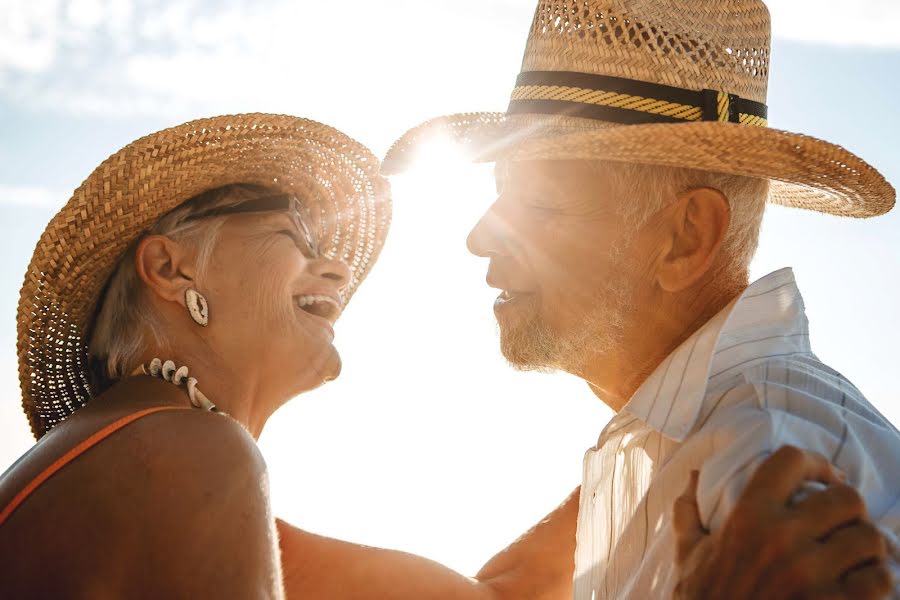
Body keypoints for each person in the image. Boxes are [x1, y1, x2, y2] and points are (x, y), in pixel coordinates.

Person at [0, 119, 885, 598]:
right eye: (293, 235)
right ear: (170, 268)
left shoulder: (146, 463)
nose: (339, 265)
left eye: (540, 208)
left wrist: (653, 422)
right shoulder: (190, 461)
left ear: (688, 236)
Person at [383, 0, 900, 598]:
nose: (478, 237)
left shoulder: (762, 462)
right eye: (501, 194)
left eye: (540, 204)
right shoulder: (688, 439)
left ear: (685, 238)